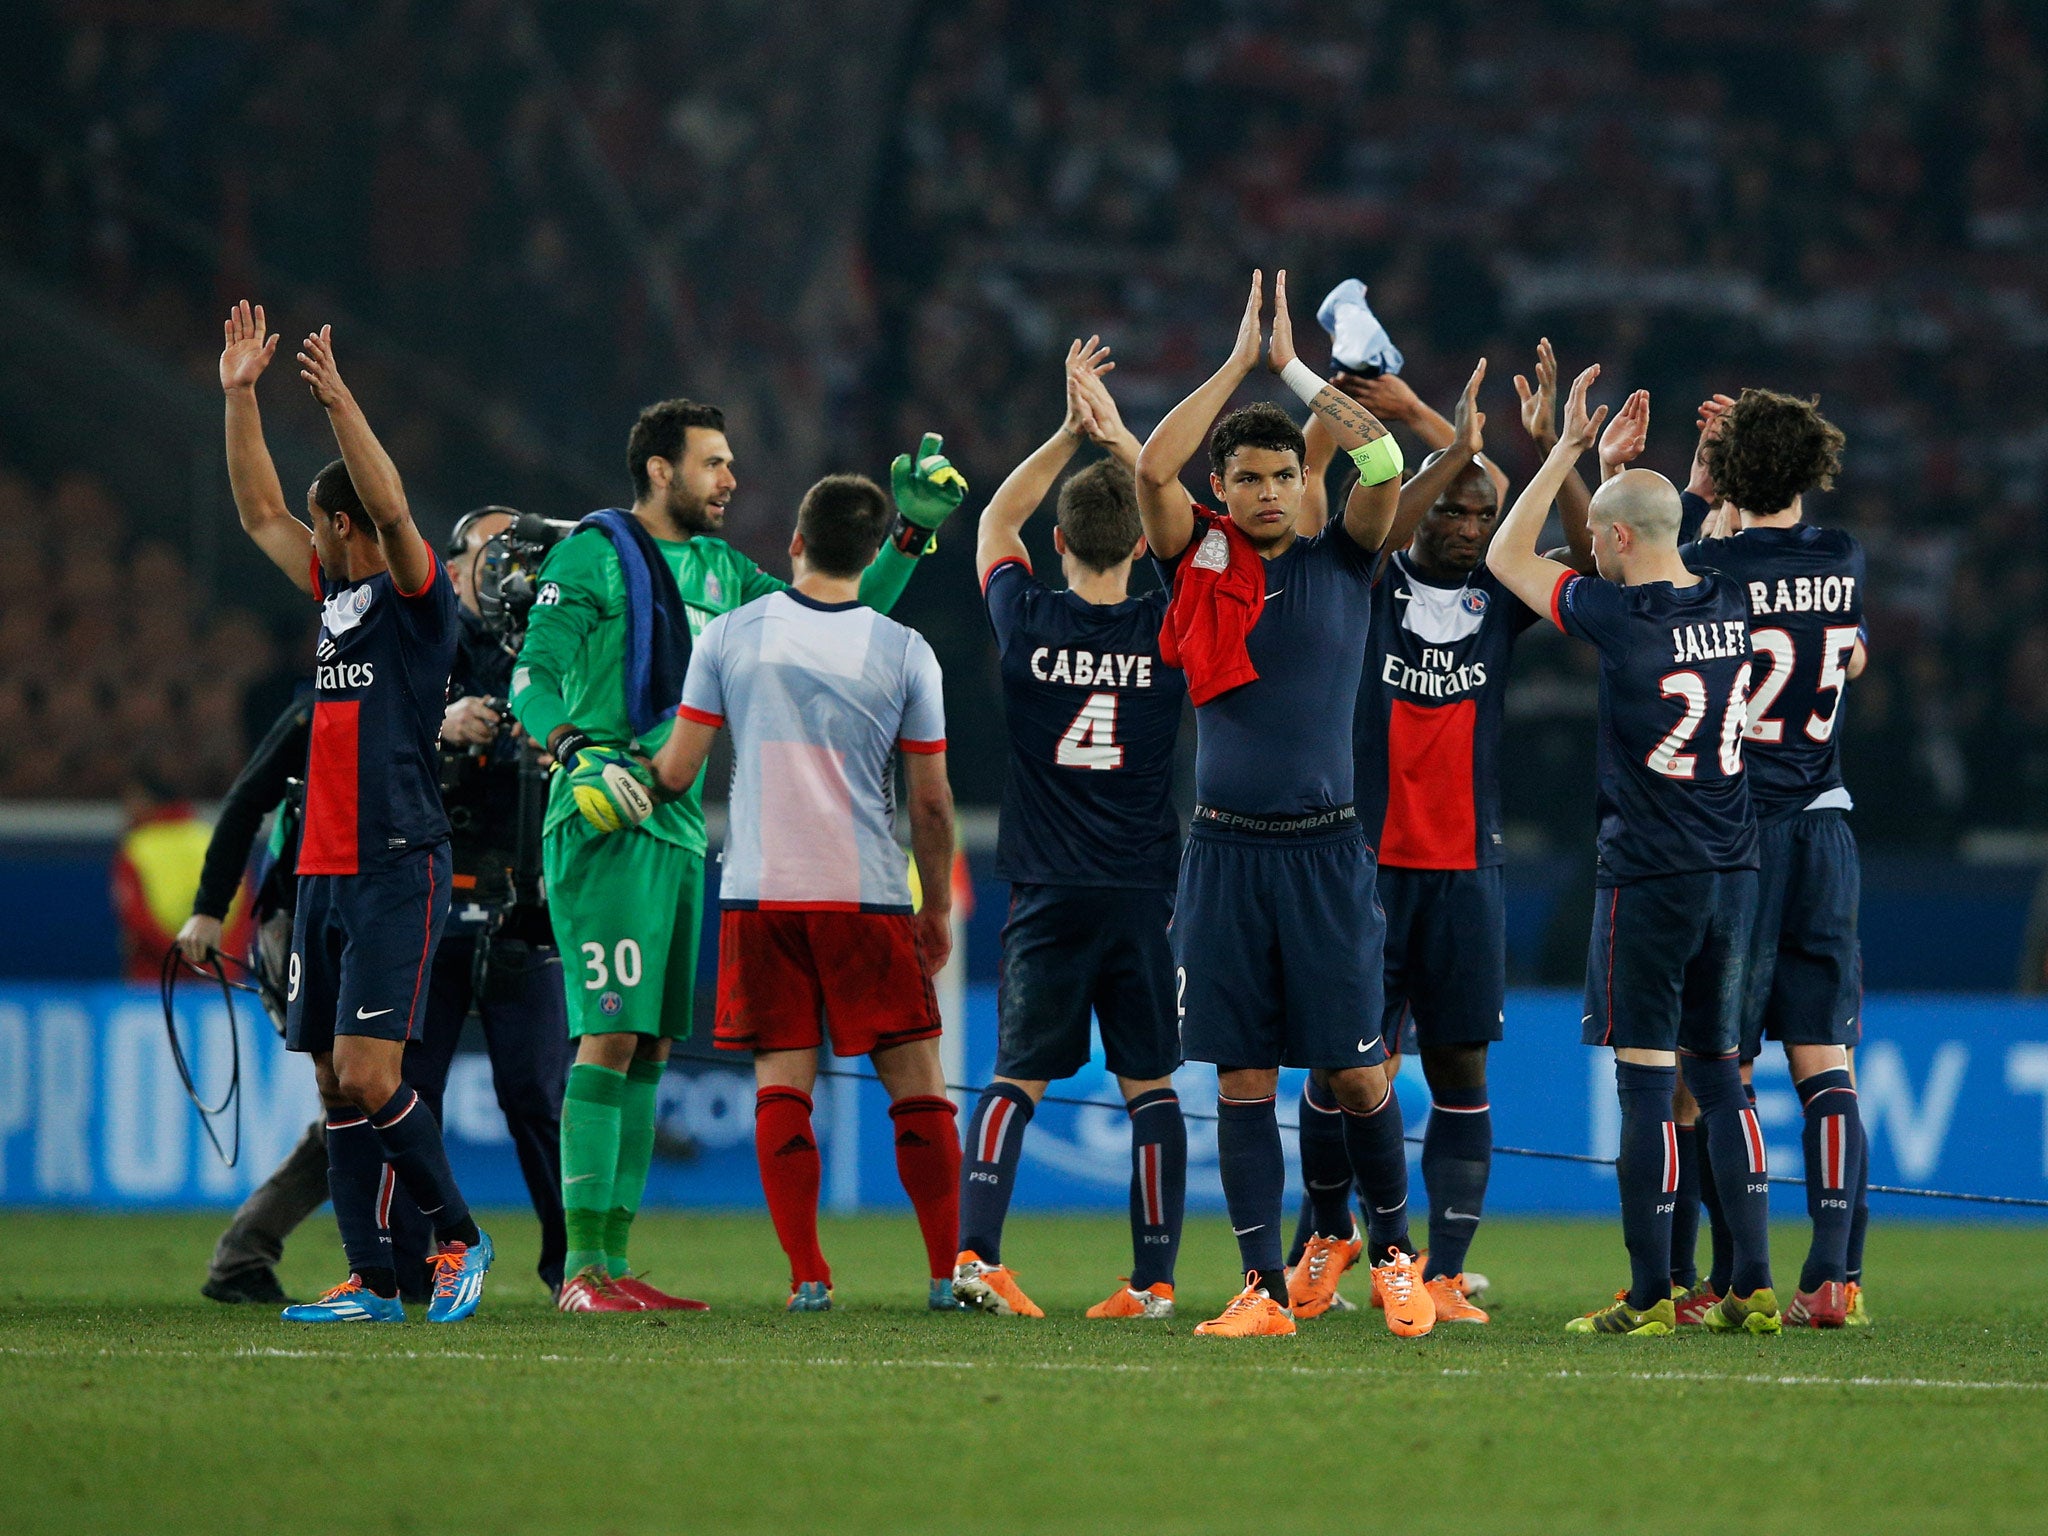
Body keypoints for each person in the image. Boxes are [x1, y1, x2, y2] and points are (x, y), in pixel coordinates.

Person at [507, 398, 964, 1312]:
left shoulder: (722, 573)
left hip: (678, 824)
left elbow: (839, 621)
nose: (730, 480)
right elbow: (534, 671)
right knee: (611, 1033)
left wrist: (906, 537)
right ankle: (582, 1272)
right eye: (713, 463)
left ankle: (612, 1260)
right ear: (659, 470)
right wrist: (568, 750)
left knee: (648, 1047)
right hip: (605, 811)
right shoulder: (591, 554)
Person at [1133, 270, 1432, 1339]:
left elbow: (1387, 459)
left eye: (1277, 475)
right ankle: (1260, 1288)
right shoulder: (1195, 563)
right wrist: (1234, 365)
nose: (1267, 492)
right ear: (1225, 487)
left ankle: (1397, 1257)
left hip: (1321, 854)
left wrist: (1295, 368)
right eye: (1247, 478)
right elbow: (1155, 466)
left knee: (1355, 1073)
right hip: (1221, 856)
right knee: (1243, 1078)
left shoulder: (1342, 560)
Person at [1280, 342, 1594, 1326]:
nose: (1465, 525)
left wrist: (1555, 458)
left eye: (1480, 514)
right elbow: (1376, 524)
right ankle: (1322, 1244)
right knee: (1340, 1067)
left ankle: (1446, 1272)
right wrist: (1436, 435)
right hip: (1361, 869)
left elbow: (1589, 563)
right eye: (1452, 508)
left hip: (1463, 871)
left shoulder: (1495, 602)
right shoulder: (1361, 586)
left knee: (1458, 1070)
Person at [1486, 365, 1777, 1337]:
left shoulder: (1614, 617)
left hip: (1646, 876)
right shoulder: (1729, 599)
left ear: (1611, 541)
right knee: (1722, 1075)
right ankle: (1752, 1284)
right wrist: (1702, 481)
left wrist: (1565, 450)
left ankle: (1650, 1295)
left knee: (1645, 1084)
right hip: (1732, 872)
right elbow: (1676, 543)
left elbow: (1505, 554)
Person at [219, 300, 489, 1323]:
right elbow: (253, 514)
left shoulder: (420, 605)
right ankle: (371, 1282)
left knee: (374, 1073)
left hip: (393, 862)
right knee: (336, 1085)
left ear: (340, 524)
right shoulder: (333, 608)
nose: (310, 533)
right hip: (324, 867)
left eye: (321, 519)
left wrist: (339, 405)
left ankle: (458, 1238)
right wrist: (240, 396)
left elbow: (393, 503)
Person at [649, 473, 962, 1312]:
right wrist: (934, 906)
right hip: (865, 894)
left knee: (782, 1085)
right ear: (871, 554)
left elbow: (678, 771)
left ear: (794, 541)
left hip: (759, 893)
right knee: (919, 1086)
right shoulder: (905, 651)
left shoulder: (730, 637)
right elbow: (930, 802)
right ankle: (943, 1274)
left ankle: (809, 1279)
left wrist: (601, 768)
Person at [951, 339, 1190, 1320]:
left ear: (1059, 544)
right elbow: (1177, 524)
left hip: (1045, 886)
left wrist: (1064, 430)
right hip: (1138, 889)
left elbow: (994, 515)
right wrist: (1124, 445)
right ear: (1138, 547)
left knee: (1014, 1078)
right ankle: (1153, 1280)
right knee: (1151, 1091)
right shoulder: (1170, 631)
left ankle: (976, 1257)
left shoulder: (1025, 623)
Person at [1666, 390, 1870, 1328]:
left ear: (1731, 477)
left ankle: (1735, 1273)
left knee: (1721, 1066)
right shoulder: (1840, 558)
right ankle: (1833, 1276)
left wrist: (1711, 474)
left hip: (1738, 833)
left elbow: (1679, 568)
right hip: (1826, 828)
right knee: (1825, 1061)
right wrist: (1755, 442)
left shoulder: (1709, 565)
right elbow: (1851, 657)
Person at [381, 507, 574, 1299]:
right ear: (454, 566)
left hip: (523, 901)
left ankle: (576, 1264)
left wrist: (563, 741)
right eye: (491, 552)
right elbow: (365, 733)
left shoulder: (558, 644)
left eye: (519, 552)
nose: (509, 567)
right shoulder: (423, 637)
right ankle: (410, 1263)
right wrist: (440, 725)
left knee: (536, 1094)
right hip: (430, 894)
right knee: (412, 1085)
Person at [181, 695, 317, 1306]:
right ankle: (246, 1250)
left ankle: (245, 1252)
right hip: (304, 922)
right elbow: (246, 799)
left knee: (375, 1097)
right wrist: (210, 909)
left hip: (394, 918)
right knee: (365, 1093)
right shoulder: (331, 693)